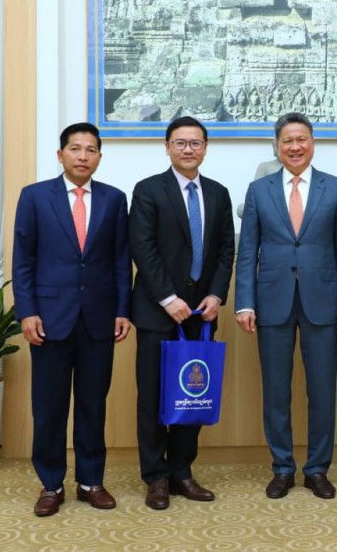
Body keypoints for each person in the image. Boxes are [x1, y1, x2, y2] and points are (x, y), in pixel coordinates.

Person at [235, 112, 337, 500]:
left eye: (301, 139)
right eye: (287, 141)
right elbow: (247, 251)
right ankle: (283, 468)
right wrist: (244, 303)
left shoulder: (335, 188)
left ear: (312, 143)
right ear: (277, 146)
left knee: (322, 391)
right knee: (276, 391)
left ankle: (318, 469)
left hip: (323, 300)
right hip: (271, 300)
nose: (295, 147)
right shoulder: (259, 190)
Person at [12, 122, 132, 517]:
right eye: (75, 148)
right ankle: (50, 484)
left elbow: (120, 260)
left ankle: (90, 481)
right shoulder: (35, 197)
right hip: (49, 318)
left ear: (99, 156)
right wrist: (27, 311)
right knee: (49, 407)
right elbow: (23, 260)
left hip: (99, 317)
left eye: (91, 149)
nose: (83, 156)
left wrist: (122, 310)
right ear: (60, 154)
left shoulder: (114, 199)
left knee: (92, 405)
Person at [128, 116, 235, 510]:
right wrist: (168, 298)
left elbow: (225, 249)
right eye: (180, 142)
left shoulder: (219, 193)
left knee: (193, 392)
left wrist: (217, 295)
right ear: (167, 147)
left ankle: (182, 471)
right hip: (158, 312)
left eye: (196, 143)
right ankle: (155, 476)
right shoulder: (148, 190)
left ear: (205, 147)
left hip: (201, 312)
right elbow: (143, 248)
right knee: (154, 395)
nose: (188, 149)